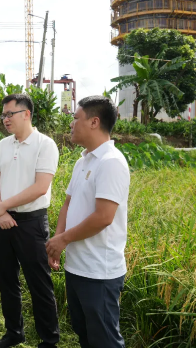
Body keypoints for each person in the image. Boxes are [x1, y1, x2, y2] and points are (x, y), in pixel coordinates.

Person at [46, 95, 130, 348]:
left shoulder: (111, 162)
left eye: (75, 119)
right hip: (77, 266)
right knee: (84, 334)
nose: (71, 124)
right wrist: (57, 242)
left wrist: (63, 239)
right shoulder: (83, 161)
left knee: (104, 340)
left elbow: (104, 217)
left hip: (99, 272)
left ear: (94, 122)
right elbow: (68, 203)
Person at [0, 94, 60, 348]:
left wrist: (2, 207)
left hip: (31, 223)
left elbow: (41, 187)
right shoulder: (3, 145)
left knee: (38, 283)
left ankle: (49, 340)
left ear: (26, 114)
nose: (5, 119)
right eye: (3, 115)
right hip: (3, 222)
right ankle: (14, 333)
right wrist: (1, 214)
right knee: (7, 279)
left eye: (10, 114)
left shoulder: (45, 144)